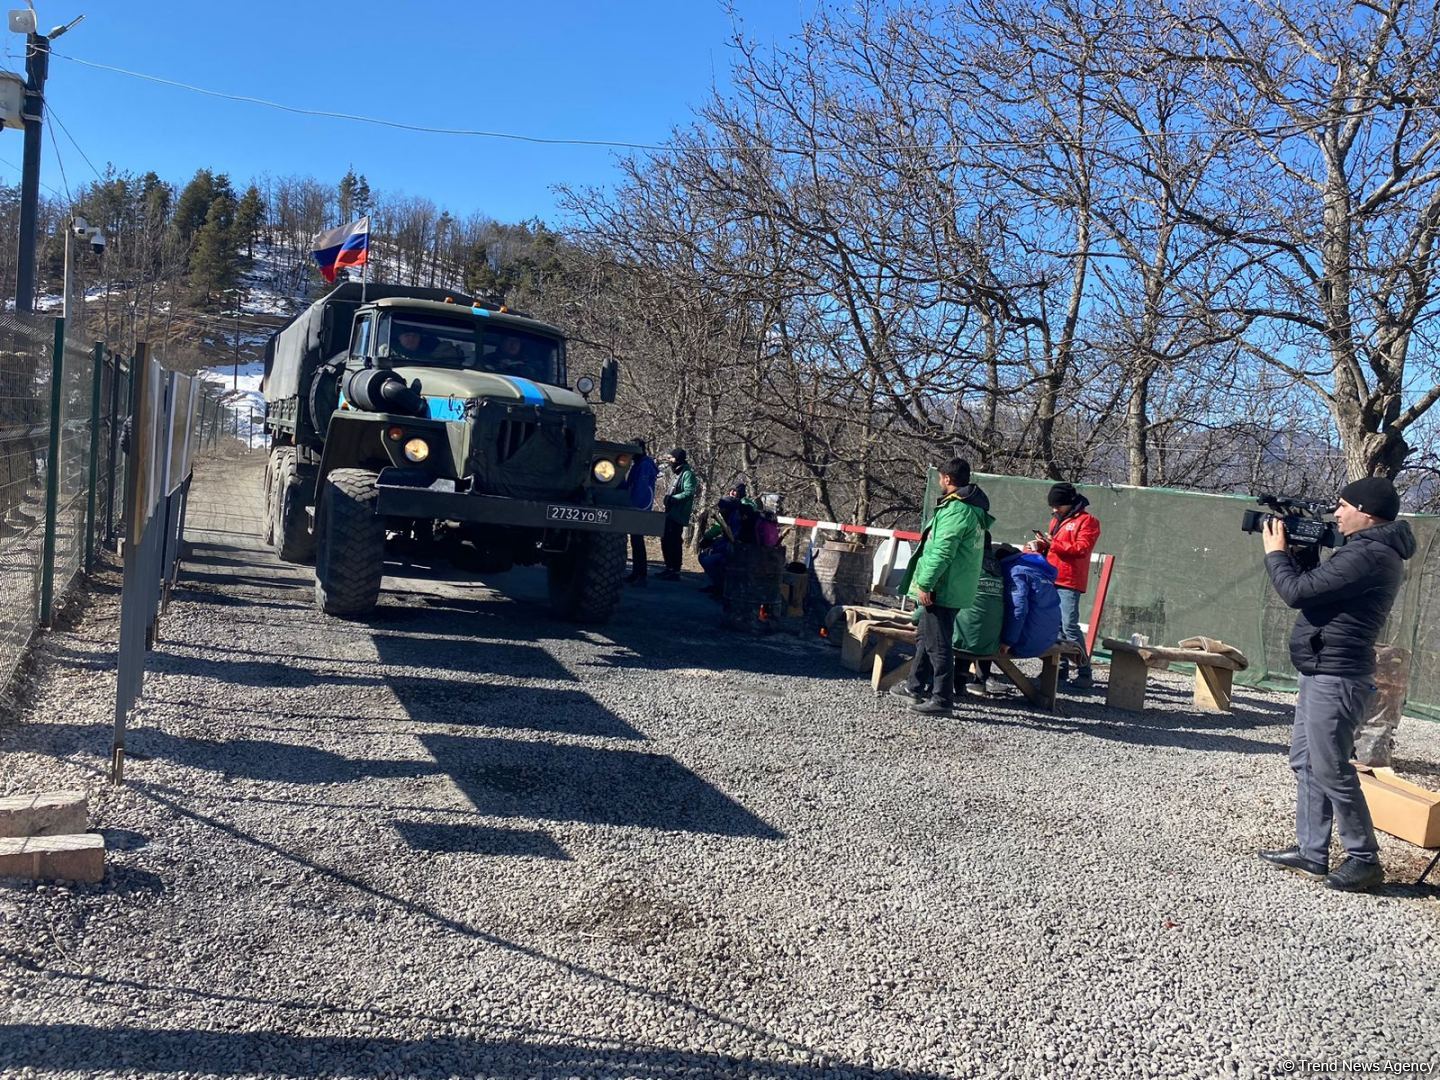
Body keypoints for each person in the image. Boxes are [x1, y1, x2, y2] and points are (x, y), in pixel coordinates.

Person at [1258, 477, 1415, 894]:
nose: (1337, 514)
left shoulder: (1372, 555)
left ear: (1367, 512)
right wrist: (1300, 552)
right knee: (1306, 762)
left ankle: (1364, 859)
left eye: (1344, 506)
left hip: (1339, 675)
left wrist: (1276, 555)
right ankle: (1312, 852)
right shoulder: (1362, 551)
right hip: (1321, 668)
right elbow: (1319, 590)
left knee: (1331, 768)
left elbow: (1296, 592)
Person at [891, 458, 987, 716]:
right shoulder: (973, 510)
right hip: (955, 585)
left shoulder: (957, 510)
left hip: (943, 587)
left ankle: (942, 699)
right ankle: (914, 685)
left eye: (940, 478)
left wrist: (925, 583)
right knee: (926, 636)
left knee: (938, 644)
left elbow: (942, 551)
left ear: (946, 479)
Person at [1029, 482, 1101, 688]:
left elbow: (1081, 549)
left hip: (1070, 580)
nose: (1054, 509)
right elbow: (1054, 545)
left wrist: (1053, 544)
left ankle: (1084, 671)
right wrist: (1041, 544)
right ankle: (1058, 671)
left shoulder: (1088, 522)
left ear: (1069, 503)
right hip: (1051, 576)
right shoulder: (1057, 520)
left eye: (1058, 505)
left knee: (1069, 625)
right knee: (1054, 625)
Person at [949, 482, 1001, 694]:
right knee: (983, 615)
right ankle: (981, 678)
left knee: (963, 619)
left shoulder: (968, 567)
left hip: (964, 639)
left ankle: (956, 683)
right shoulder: (999, 569)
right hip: (992, 641)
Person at [996, 543, 1063, 661]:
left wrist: (1007, 642)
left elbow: (1019, 609)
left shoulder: (1014, 571)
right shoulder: (1039, 571)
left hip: (1026, 643)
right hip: (1048, 639)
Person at [656, 448, 697, 581]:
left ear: (678, 458)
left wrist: (673, 498)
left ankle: (675, 570)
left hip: (678, 514)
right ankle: (669, 568)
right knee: (666, 540)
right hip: (670, 513)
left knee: (674, 542)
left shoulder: (687, 474)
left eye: (671, 458)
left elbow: (689, 492)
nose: (670, 460)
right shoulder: (677, 473)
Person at [623, 440, 659, 587]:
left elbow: (641, 488)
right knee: (636, 541)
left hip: (639, 508)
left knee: (638, 541)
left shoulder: (644, 465)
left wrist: (634, 506)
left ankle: (641, 574)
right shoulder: (638, 464)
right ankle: (637, 572)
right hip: (636, 506)